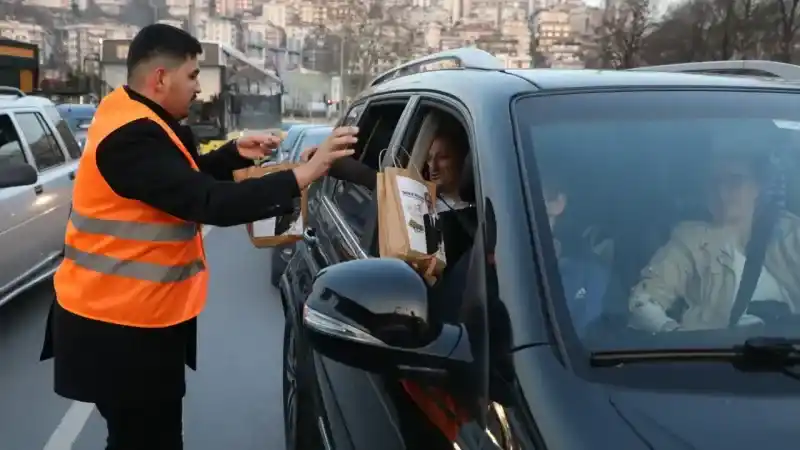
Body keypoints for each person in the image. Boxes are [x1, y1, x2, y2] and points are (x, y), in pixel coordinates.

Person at [39, 24, 356, 450]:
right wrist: (302, 176)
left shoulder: (141, 119)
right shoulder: (131, 137)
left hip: (133, 319)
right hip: (117, 330)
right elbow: (207, 202)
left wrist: (231, 154)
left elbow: (175, 184)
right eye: (192, 75)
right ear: (161, 79)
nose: (198, 87)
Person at [629, 149, 800, 332]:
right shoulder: (689, 240)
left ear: (758, 185)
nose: (722, 192)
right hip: (721, 355)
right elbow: (642, 302)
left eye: (735, 181)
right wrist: (675, 337)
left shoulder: (791, 232)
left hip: (788, 352)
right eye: (714, 182)